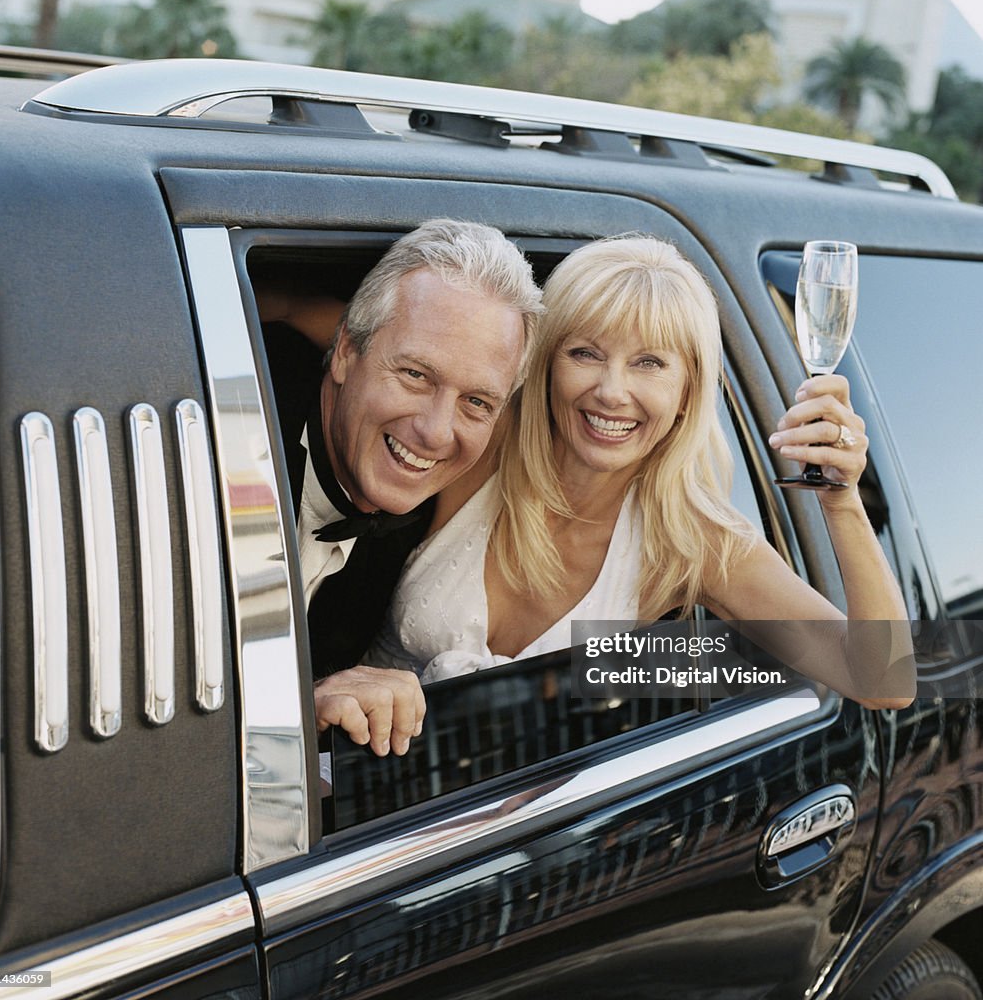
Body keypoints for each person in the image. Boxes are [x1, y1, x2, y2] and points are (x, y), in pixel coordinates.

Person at [370, 235, 915, 707]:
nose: (611, 391)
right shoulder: (477, 432)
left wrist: (841, 501)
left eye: (649, 363)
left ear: (687, 392)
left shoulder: (691, 539)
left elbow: (882, 680)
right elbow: (363, 345)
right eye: (584, 353)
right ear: (546, 363)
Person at [259, 218, 544, 757]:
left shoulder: (424, 512)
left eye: (476, 402)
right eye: (416, 375)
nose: (436, 432)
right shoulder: (221, 429)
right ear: (344, 350)